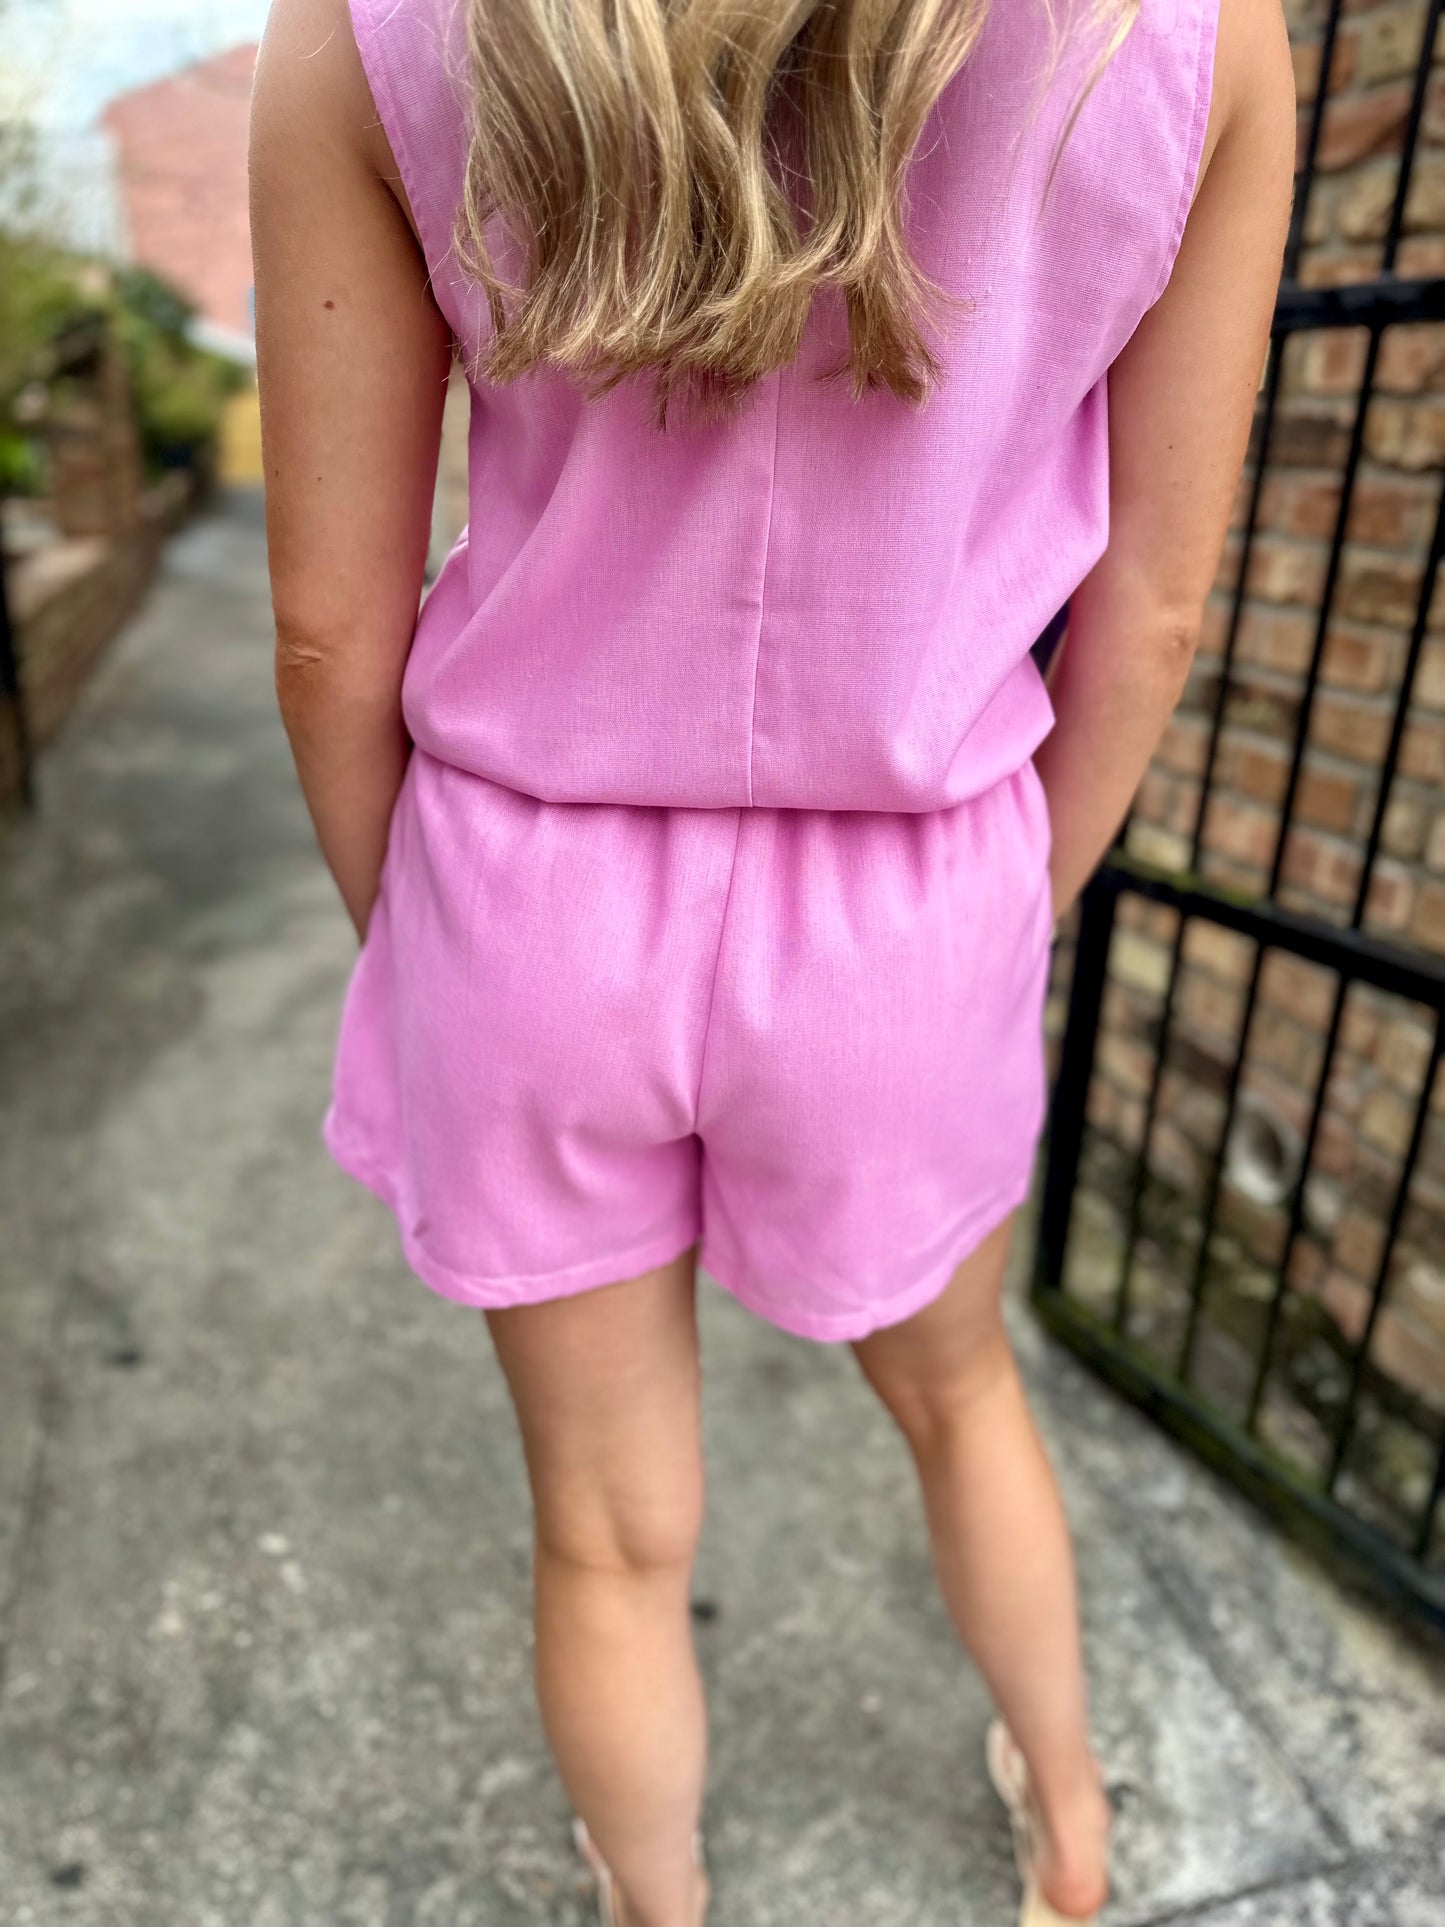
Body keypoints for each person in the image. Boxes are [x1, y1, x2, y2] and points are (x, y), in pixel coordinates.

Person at [249, 0, 1294, 1920]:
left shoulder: (364, 34)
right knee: (962, 1399)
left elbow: (328, 632)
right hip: (910, 900)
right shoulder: (1198, 39)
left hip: (527, 892)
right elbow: (1148, 614)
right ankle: (1070, 1833)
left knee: (609, 1533)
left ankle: (659, 1902)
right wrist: (1009, 900)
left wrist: (425, 937)